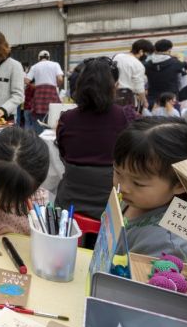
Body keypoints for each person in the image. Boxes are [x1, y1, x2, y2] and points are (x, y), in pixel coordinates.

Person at [113, 117, 187, 262]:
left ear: (180, 184)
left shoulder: (166, 245)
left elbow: (142, 284)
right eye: (117, 172)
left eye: (138, 183)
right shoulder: (131, 200)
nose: (123, 187)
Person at [55, 57, 133, 219]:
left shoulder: (66, 119)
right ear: (115, 85)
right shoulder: (127, 116)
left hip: (70, 202)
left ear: (80, 85)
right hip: (113, 203)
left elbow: (63, 153)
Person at [25, 50, 64, 131]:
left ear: (39, 58)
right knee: (53, 116)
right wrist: (56, 85)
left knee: (38, 120)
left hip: (39, 95)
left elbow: (26, 81)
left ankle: (39, 138)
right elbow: (60, 79)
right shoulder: (55, 64)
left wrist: (35, 86)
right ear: (49, 58)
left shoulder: (34, 66)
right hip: (52, 93)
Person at [145, 39, 187, 109]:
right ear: (169, 49)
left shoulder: (147, 64)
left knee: (153, 119)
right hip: (170, 100)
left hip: (152, 100)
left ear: (156, 49)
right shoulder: (176, 63)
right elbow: (183, 82)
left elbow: (144, 82)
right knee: (173, 119)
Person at [113, 39, 154, 109]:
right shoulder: (139, 65)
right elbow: (139, 88)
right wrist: (144, 101)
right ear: (141, 51)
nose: (147, 57)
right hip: (127, 96)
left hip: (113, 93)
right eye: (147, 54)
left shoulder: (118, 56)